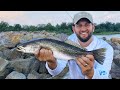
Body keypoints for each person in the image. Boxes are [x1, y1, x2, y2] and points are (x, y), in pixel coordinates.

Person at [34, 11, 113, 79]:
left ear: (93, 27)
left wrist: (90, 73)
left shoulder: (106, 48)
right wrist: (51, 62)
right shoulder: (68, 41)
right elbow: (56, 72)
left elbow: (104, 76)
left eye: (87, 25)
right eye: (79, 25)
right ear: (73, 28)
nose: (83, 29)